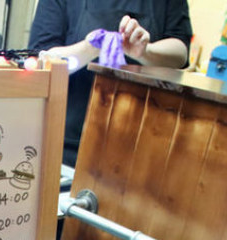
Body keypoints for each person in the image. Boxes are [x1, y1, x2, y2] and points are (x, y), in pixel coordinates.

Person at [29, 1, 193, 167]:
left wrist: (145, 51)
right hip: (65, 141)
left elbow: (180, 53)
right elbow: (42, 55)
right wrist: (90, 47)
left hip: (141, 143)